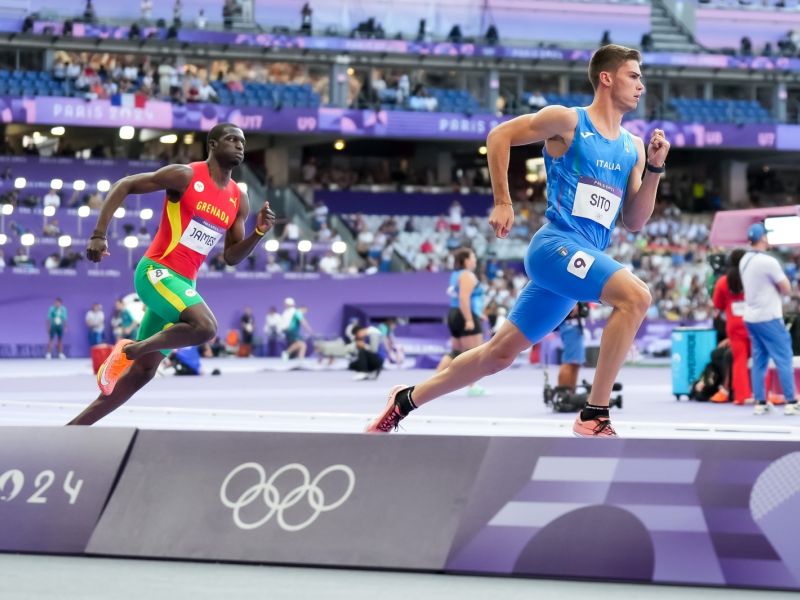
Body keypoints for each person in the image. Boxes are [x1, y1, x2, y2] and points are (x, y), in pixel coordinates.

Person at [366, 44, 669, 437]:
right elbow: (499, 136)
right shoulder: (568, 121)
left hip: (577, 262)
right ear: (607, 79)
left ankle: (405, 400)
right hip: (554, 247)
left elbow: (635, 221)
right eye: (634, 75)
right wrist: (503, 200)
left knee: (498, 354)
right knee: (637, 296)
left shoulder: (632, 148)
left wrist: (656, 169)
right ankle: (594, 413)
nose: (641, 85)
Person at [68, 123, 276, 425]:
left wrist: (258, 232)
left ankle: (74, 429)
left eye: (243, 141)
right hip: (157, 271)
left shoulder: (238, 199)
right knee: (206, 327)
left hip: (183, 283)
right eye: (231, 139)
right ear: (213, 145)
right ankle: (128, 350)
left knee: (144, 372)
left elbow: (231, 256)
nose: (240, 145)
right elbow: (125, 184)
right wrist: (99, 234)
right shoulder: (186, 175)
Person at [739, 223, 799, 416]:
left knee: (759, 360)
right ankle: (791, 401)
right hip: (769, 317)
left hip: (752, 317)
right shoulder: (768, 262)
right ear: (763, 238)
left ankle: (761, 401)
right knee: (783, 358)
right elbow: (786, 288)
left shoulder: (744, 260)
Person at [437, 248, 487, 396]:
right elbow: (464, 299)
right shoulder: (467, 275)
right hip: (465, 314)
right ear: (465, 260)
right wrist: (470, 319)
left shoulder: (455, 275)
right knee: (474, 353)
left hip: (454, 313)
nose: (475, 260)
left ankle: (433, 381)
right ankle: (472, 386)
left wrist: (479, 314)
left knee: (456, 352)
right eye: (473, 257)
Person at [711, 249, 752, 404]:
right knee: (760, 359)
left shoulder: (723, 282)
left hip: (734, 326)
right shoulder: (751, 279)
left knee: (739, 360)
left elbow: (718, 305)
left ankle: (741, 396)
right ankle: (763, 394)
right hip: (752, 322)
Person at [557, 303, 588, 391]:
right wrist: (573, 302)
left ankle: (571, 393)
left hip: (577, 325)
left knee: (576, 363)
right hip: (570, 324)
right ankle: (562, 392)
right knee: (569, 361)